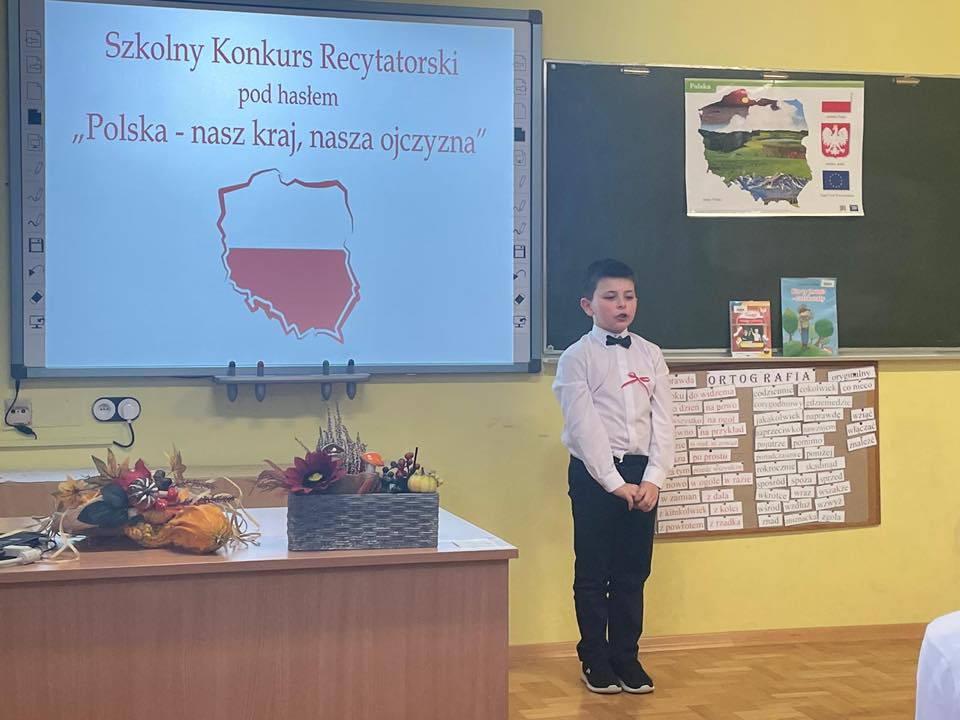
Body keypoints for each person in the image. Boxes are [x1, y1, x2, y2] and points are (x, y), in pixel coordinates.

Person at [552, 258, 674, 695]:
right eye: (610, 297)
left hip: (642, 474)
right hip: (594, 474)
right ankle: (595, 659)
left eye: (629, 296)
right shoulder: (576, 358)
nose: (622, 305)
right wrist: (613, 481)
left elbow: (664, 423)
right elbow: (584, 427)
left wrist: (654, 478)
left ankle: (627, 657)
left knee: (632, 571)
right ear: (588, 305)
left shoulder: (651, 354)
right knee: (593, 571)